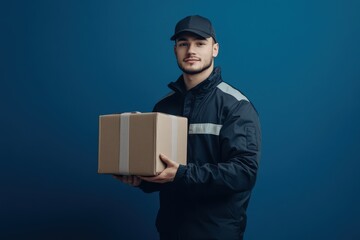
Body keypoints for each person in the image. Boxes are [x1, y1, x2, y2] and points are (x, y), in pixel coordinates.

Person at [114, 15, 261, 240]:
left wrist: (182, 174)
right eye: (183, 43)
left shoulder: (236, 106)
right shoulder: (163, 106)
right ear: (175, 50)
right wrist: (142, 181)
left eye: (200, 43)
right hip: (171, 232)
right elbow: (165, 172)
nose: (191, 50)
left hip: (216, 234)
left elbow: (244, 173)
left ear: (215, 49)